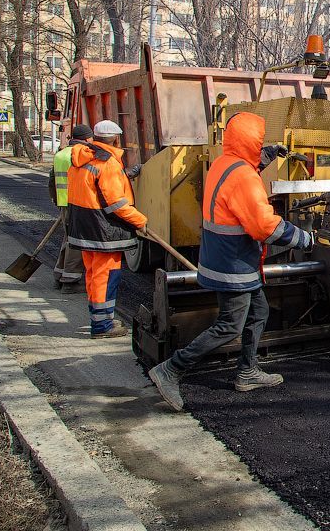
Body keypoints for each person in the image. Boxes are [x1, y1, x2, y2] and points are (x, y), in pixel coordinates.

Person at [147, 112, 312, 412]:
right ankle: (171, 369)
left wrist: (267, 156)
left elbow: (242, 171)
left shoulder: (224, 162)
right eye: (259, 142)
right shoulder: (245, 178)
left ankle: (247, 371)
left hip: (224, 258)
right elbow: (265, 226)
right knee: (230, 326)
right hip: (233, 264)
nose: (261, 145)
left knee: (258, 311)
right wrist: (304, 239)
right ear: (249, 142)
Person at [66, 120, 147, 338]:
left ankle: (99, 318)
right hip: (103, 229)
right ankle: (102, 326)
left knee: (93, 274)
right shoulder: (108, 162)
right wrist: (140, 221)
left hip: (83, 227)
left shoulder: (80, 158)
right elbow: (116, 203)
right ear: (115, 139)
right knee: (106, 275)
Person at [48, 124, 92, 292]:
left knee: (68, 240)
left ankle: (59, 276)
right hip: (78, 204)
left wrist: (57, 201)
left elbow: (52, 181)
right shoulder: (81, 155)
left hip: (64, 203)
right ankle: (70, 282)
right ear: (87, 139)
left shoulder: (60, 155)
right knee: (77, 243)